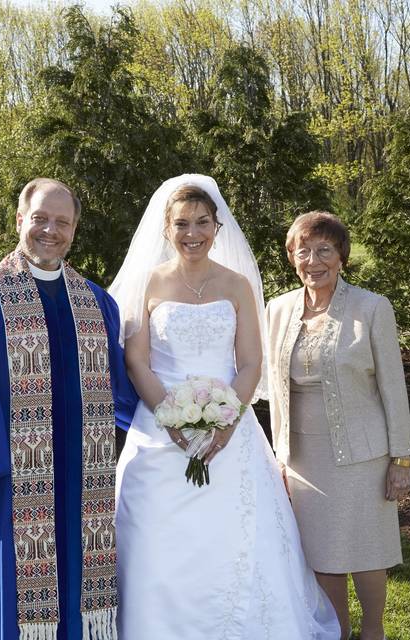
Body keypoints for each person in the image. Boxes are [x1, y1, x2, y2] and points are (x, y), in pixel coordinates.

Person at [109, 175, 339, 640]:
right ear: (166, 230)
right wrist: (173, 421)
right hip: (159, 429)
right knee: (158, 538)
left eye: (201, 222)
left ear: (217, 227)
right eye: (181, 224)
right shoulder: (147, 284)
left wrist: (227, 424)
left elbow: (250, 362)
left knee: (238, 537)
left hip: (229, 427)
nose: (192, 233)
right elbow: (137, 361)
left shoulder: (236, 285)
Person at [0, 178, 138, 640]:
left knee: (80, 594)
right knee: (13, 602)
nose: (50, 230)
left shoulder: (96, 303)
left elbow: (121, 389)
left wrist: (173, 427)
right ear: (20, 220)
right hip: (11, 483)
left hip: (82, 478)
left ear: (75, 229)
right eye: (40, 218)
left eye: (62, 221)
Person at [265, 211, 410, 640]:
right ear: (292, 258)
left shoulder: (371, 308)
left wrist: (400, 459)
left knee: (367, 549)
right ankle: (337, 632)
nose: (313, 260)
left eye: (324, 250)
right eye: (303, 251)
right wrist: (279, 456)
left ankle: (373, 631)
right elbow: (275, 390)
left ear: (342, 257)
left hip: (363, 456)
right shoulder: (277, 309)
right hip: (303, 460)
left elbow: (393, 388)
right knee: (320, 554)